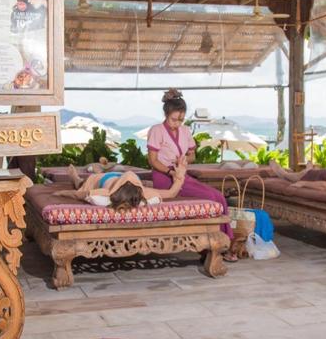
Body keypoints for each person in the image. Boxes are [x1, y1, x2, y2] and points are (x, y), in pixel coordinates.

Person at [147, 89, 234, 245]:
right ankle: (220, 243)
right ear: (166, 114)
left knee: (219, 197)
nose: (177, 124)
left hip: (180, 173)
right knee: (211, 198)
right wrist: (171, 171)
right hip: (165, 177)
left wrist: (184, 160)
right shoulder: (156, 130)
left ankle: (226, 241)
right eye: (174, 119)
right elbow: (153, 161)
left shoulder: (185, 130)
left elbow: (192, 155)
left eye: (181, 120)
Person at [56, 158, 187, 210]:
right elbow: (171, 193)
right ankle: (102, 167)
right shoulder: (144, 193)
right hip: (116, 176)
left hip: (100, 179)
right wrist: (180, 175)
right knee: (147, 183)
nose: (129, 177)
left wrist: (61, 193)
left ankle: (75, 178)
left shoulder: (107, 194)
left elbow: (79, 195)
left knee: (81, 183)